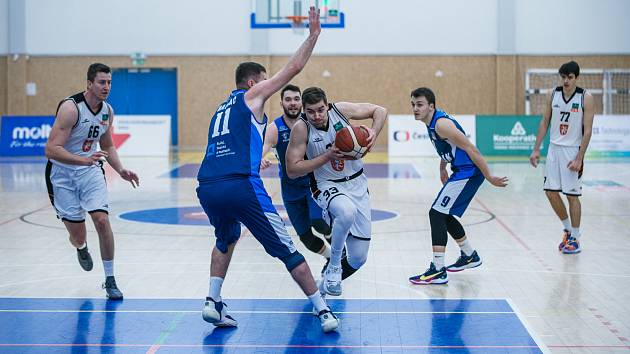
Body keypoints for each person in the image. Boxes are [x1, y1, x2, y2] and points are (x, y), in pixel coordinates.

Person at [196, 7, 339, 333]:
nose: (268, 88)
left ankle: (212, 301)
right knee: (287, 249)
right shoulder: (251, 95)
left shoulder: (221, 109)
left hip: (207, 186)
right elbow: (294, 67)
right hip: (239, 184)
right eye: (264, 82)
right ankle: (323, 311)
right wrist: (313, 35)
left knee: (225, 238)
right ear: (251, 83)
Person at [44, 63, 139, 300]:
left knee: (102, 221)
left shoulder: (107, 111)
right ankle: (81, 247)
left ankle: (110, 279)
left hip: (90, 172)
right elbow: (51, 149)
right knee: (78, 235)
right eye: (101, 82)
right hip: (62, 174)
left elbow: (107, 145)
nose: (106, 87)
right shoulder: (70, 108)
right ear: (89, 83)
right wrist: (81, 159)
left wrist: (120, 169)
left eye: (109, 82)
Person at [285, 86, 388, 297]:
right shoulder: (301, 128)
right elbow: (292, 170)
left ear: (328, 105)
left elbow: (380, 111)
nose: (317, 115)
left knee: (359, 258)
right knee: (346, 212)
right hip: (326, 184)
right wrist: (327, 156)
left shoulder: (341, 110)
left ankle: (321, 290)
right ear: (304, 110)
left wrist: (373, 133)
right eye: (311, 111)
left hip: (358, 184)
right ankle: (333, 265)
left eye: (321, 109)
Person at [407, 87, 508, 285]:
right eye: (413, 105)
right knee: (442, 214)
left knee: (436, 213)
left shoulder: (441, 124)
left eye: (419, 104)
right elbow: (447, 147)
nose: (415, 109)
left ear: (431, 106)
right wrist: (442, 167)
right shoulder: (432, 122)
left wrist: (489, 176)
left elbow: (471, 148)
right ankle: (469, 255)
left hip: (468, 171)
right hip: (460, 169)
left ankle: (438, 269)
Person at [260, 84, 332, 271]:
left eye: (296, 99)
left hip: (313, 183)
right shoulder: (275, 128)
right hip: (290, 188)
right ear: (282, 102)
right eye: (288, 99)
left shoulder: (311, 121)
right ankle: (332, 257)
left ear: (302, 101)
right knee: (306, 239)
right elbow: (261, 149)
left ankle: (341, 254)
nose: (292, 103)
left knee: (319, 222)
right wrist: (258, 160)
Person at [530, 61, 594, 254]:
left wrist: (579, 158)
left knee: (572, 195)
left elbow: (588, 130)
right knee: (550, 192)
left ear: (576, 77)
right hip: (554, 150)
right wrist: (536, 149)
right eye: (563, 77)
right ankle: (567, 229)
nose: (566, 81)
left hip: (572, 150)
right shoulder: (553, 94)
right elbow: (544, 122)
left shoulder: (586, 97)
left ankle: (576, 237)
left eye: (570, 77)